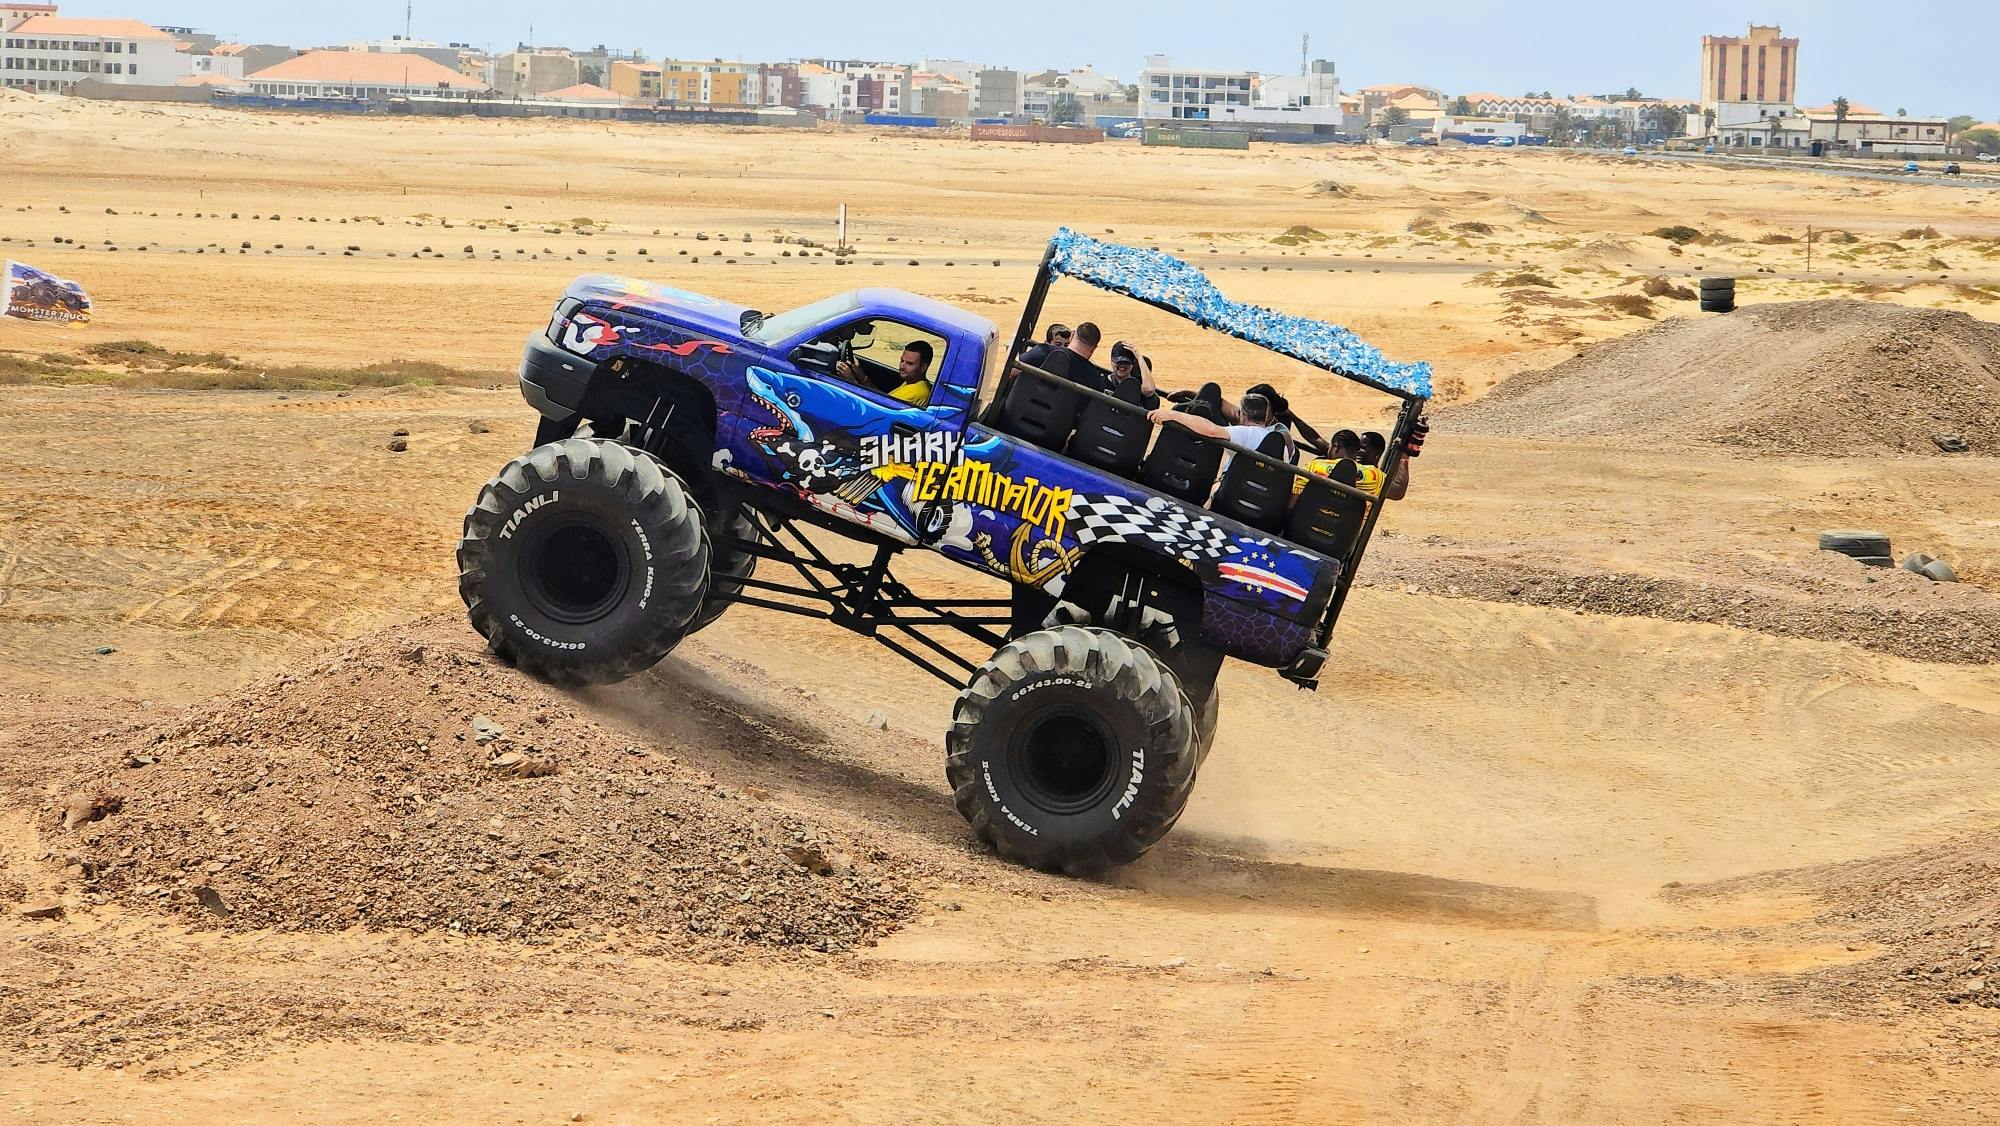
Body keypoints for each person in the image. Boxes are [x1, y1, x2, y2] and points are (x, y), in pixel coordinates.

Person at [1148, 391, 1292, 460]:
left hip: (1234, 494)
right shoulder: (1279, 442)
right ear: (1266, 415)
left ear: (1241, 414)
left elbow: (1210, 429)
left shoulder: (1244, 433)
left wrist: (1173, 415)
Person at [1032, 320, 1110, 393]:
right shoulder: (1095, 378)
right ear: (1094, 348)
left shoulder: (1043, 351)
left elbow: (1020, 367)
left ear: (1071, 336)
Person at [1358, 430, 1411, 500]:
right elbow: (1398, 490)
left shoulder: (1372, 475)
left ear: (1376, 454)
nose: (1357, 450)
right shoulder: (1378, 477)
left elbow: (1398, 491)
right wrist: (1404, 457)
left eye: (1362, 448)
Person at [1107, 341, 1160, 408]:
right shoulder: (1104, 382)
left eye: (1127, 362)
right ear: (1111, 361)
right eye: (1119, 362)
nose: (1122, 365)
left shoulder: (1137, 386)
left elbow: (1149, 390)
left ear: (1132, 364)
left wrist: (1139, 357)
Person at [886, 340, 934, 405]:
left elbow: (880, 406)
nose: (902, 366)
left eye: (910, 363)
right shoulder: (913, 381)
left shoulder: (915, 391)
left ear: (923, 367)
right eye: (902, 360)